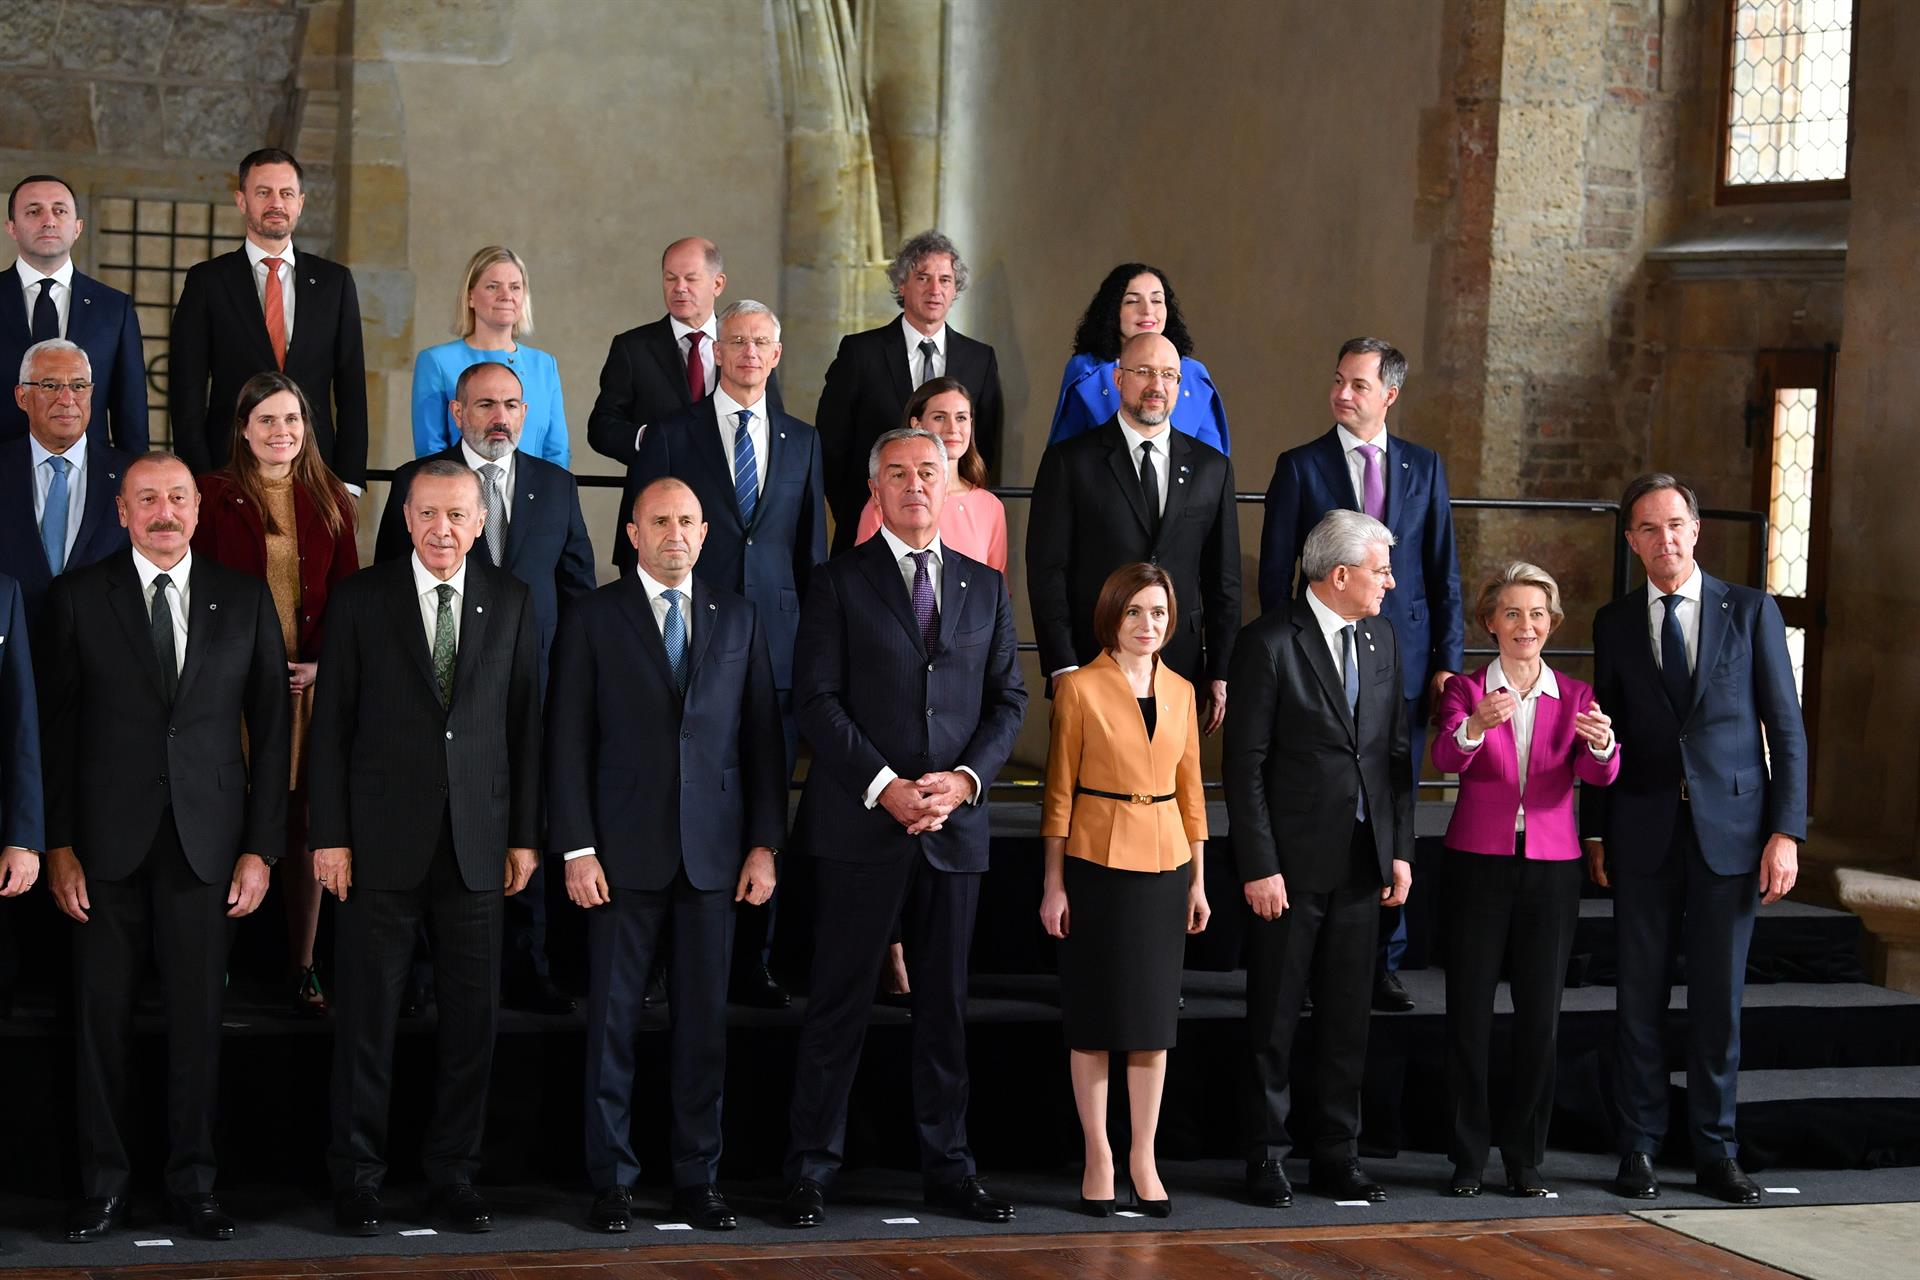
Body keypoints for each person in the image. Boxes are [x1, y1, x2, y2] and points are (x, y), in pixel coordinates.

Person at [779, 427, 1027, 1229]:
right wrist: (885, 787)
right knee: (838, 1007)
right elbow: (815, 699)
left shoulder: (985, 589)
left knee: (944, 1011)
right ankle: (810, 1169)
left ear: (951, 484)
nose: (916, 485)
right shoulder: (836, 582)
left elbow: (1008, 704)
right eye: (898, 474)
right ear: (875, 492)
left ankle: (949, 1169)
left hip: (953, 831)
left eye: (930, 471)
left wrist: (962, 782)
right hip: (861, 830)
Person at [41, 451, 290, 1243]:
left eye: (177, 498)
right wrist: (58, 846)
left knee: (198, 1024)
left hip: (207, 847)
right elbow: (52, 733)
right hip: (103, 851)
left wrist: (261, 850)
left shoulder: (244, 599)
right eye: (146, 499)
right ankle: (105, 1188)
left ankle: (194, 1186)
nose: (164, 512)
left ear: (197, 507)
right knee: (99, 1026)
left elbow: (275, 731)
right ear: (120, 512)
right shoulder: (78, 598)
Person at [309, 460, 543, 1236]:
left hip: (478, 846)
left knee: (471, 1026)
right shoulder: (361, 600)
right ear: (406, 520)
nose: (444, 530)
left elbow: (524, 730)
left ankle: (454, 1175)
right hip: (376, 847)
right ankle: (359, 1179)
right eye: (429, 515)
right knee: (366, 1020)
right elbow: (331, 731)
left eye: (458, 516)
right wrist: (330, 836)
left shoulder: (511, 600)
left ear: (481, 522)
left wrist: (524, 838)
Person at [548, 478, 785, 1234]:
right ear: (632, 533)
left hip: (714, 860)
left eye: (687, 521)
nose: (675, 533)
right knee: (612, 1026)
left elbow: (761, 745)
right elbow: (567, 742)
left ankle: (696, 1179)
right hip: (617, 859)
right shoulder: (592, 617)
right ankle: (613, 1180)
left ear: (705, 533)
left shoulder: (739, 618)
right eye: (660, 521)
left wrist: (764, 845)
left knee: (702, 1029)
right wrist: (577, 847)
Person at [1581, 473, 1807, 1207]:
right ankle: (1640, 1147)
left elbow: (1786, 729)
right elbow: (1599, 734)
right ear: (1632, 541)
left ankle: (1716, 1151)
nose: (1664, 540)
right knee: (1637, 999)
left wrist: (1787, 831)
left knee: (1718, 1002)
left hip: (1733, 835)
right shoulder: (1613, 623)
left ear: (1697, 529)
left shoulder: (1750, 609)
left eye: (1675, 525)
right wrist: (1595, 828)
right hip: (1641, 830)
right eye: (1648, 529)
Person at [615, 299, 823, 1007]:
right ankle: (665, 963)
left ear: (777, 350)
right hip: (688, 643)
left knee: (764, 800)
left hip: (777, 648)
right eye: (736, 341)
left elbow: (807, 558)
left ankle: (751, 963)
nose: (748, 353)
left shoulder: (803, 440)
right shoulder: (673, 434)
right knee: (682, 798)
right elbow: (633, 545)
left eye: (761, 342)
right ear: (718, 350)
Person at [377, 361, 593, 1014]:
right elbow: (389, 586)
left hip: (531, 690)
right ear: (458, 413)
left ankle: (525, 968)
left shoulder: (555, 486)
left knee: (525, 822)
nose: (500, 416)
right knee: (428, 825)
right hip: (436, 695)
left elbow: (577, 587)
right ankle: (420, 973)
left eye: (512, 404)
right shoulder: (420, 483)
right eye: (486, 405)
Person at [1257, 336, 1463, 1013]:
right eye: (1337, 380)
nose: (1343, 394)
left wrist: (1446, 668)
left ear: (1390, 395)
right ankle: (1313, 956)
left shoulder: (1425, 468)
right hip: (1319, 674)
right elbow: (1276, 574)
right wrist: (1286, 662)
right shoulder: (1299, 466)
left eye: (1358, 385)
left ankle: (1382, 959)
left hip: (1398, 672)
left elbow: (1443, 576)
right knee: (1322, 806)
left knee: (1391, 809)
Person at [1224, 509, 1413, 1209]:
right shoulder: (1269, 642)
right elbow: (1245, 767)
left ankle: (1337, 1153)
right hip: (1289, 869)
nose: (1390, 584)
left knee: (1346, 1022)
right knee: (1273, 1022)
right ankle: (1266, 1158)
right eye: (1380, 570)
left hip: (1364, 864)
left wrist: (1399, 852)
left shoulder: (1384, 638)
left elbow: (1395, 758)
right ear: (1340, 576)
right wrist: (1259, 864)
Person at [1429, 562, 1618, 1198]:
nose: (1525, 625)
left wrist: (1600, 747)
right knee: (1469, 1014)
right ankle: (1465, 1156)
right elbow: (1446, 757)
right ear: (1490, 623)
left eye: (1537, 614)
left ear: (1552, 624)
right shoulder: (1462, 689)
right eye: (1512, 613)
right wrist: (1476, 725)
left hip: (1553, 865)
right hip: (1477, 860)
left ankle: (1524, 1156)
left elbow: (1600, 777)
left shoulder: (1577, 694)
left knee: (1541, 1016)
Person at [1039, 562, 1209, 1218]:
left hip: (1166, 864)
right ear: (1112, 615)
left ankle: (1143, 1154)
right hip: (1095, 861)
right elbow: (1057, 796)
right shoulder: (1080, 689)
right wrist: (1053, 886)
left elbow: (1194, 794)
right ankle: (1099, 1155)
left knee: (1150, 1023)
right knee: (1095, 1017)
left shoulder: (1184, 691)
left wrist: (1198, 881)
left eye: (1159, 614)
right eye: (1135, 612)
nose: (1148, 625)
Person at [192, 372, 359, 1014]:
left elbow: (347, 600)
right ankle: (215, 965)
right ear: (242, 428)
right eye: (266, 420)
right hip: (228, 688)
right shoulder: (211, 495)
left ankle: (303, 964)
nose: (280, 432)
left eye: (291, 420)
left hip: (305, 685)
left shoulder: (333, 501)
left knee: (302, 824)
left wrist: (322, 666)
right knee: (225, 818)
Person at [1026, 330, 1239, 729]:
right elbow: (1046, 570)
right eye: (1144, 372)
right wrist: (1061, 664)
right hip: (1091, 660)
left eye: (1169, 375)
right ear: (1118, 379)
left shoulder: (1213, 469)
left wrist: (1220, 668)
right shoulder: (1069, 462)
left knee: (1171, 788)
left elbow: (1222, 578)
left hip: (1181, 663)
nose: (1157, 386)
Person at [170, 148, 368, 491]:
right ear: (242, 200)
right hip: (228, 466)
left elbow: (352, 389)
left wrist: (348, 480)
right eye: (263, 192)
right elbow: (186, 389)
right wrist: (198, 477)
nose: (276, 203)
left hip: (315, 469)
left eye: (286, 193)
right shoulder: (207, 281)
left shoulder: (334, 282)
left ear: (300, 203)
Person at [816, 230, 1005, 553]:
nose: (935, 290)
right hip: (873, 524)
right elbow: (830, 446)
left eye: (945, 280)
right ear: (902, 285)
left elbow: (985, 444)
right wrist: (859, 510)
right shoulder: (860, 353)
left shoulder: (980, 359)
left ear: (955, 289)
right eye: (923, 278)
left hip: (957, 534)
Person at [587, 236, 787, 468]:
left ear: (718, 284)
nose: (679, 288)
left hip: (734, 493)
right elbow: (602, 427)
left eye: (691, 279)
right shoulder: (632, 347)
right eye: (670, 278)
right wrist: (647, 438)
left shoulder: (748, 346)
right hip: (658, 491)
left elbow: (771, 419)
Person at [1, 175, 146, 450]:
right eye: (33, 211)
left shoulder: (114, 308)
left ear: (78, 227)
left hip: (90, 474)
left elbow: (131, 410)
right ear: (12, 227)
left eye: (60, 210)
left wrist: (135, 479)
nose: (48, 221)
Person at [0, 339, 132, 621]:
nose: (67, 399)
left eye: (78, 386)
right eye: (49, 385)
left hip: (101, 644)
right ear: (22, 397)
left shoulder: (130, 475)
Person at [411, 245, 569, 467]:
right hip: (459, 496)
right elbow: (431, 450)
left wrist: (550, 497)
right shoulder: (436, 362)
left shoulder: (544, 365)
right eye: (493, 286)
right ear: (470, 297)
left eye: (515, 287)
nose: (506, 296)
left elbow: (557, 451)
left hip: (533, 497)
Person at [1046, 263, 1228, 454]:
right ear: (1112, 309)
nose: (1148, 310)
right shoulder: (1086, 372)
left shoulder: (1194, 375)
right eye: (1133, 301)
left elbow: (1213, 464)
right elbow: (1064, 458)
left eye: (1157, 300)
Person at [855, 377, 1007, 570]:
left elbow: (996, 590)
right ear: (916, 424)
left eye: (960, 418)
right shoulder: (887, 500)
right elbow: (861, 580)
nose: (952, 428)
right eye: (939, 417)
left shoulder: (990, 506)